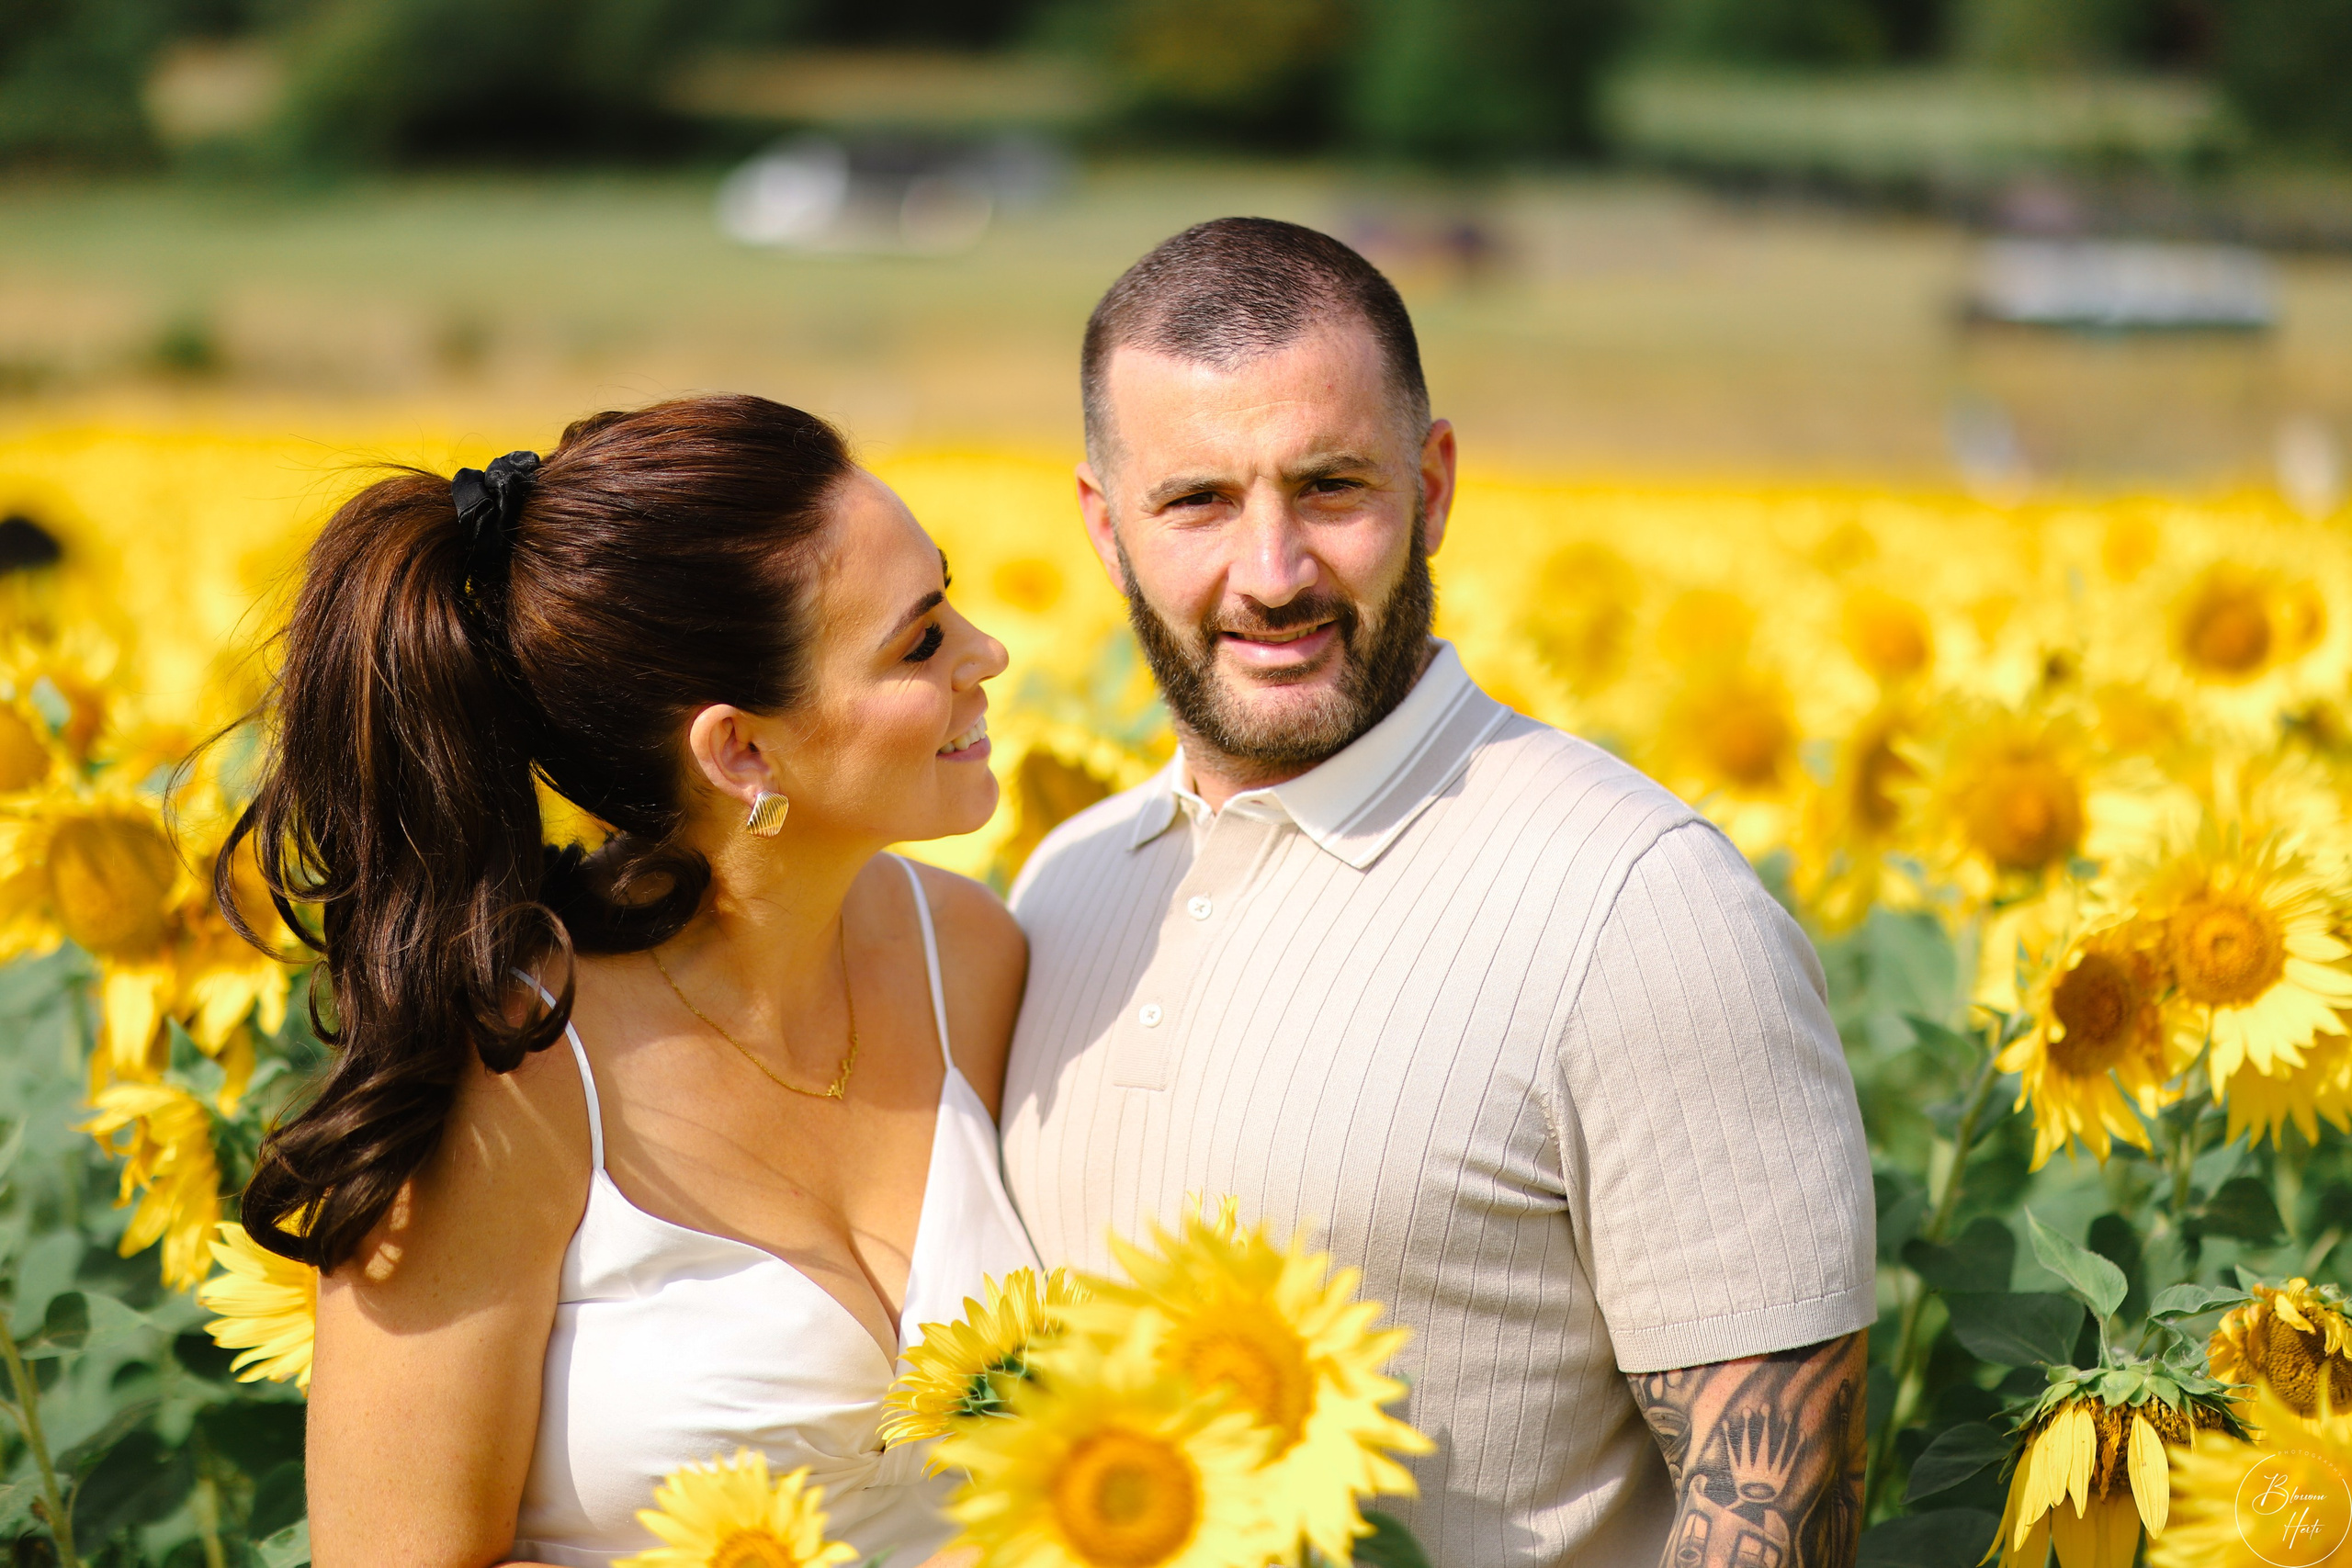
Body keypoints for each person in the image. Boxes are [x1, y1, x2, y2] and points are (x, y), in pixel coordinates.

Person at [1001, 219, 1877, 1567]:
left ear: (1434, 485)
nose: (1273, 573)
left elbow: (1771, 1511)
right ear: (1105, 528)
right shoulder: (1065, 886)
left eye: (1331, 488)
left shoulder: (1638, 903)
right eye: (1198, 503)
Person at [226, 396, 1035, 1567]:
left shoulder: (970, 954)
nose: (987, 652)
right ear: (740, 750)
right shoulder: (511, 1069)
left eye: (946, 597)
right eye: (919, 643)